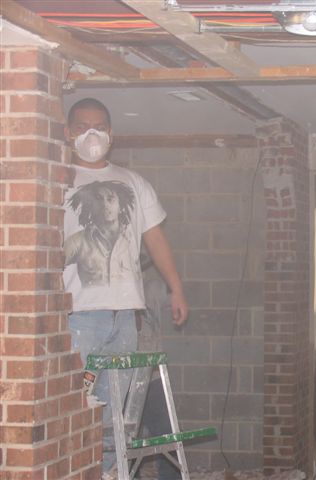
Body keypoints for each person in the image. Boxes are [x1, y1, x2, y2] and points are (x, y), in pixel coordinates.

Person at [63, 97, 188, 478]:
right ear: (68, 132)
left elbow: (155, 239)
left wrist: (176, 288)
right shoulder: (56, 180)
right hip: (78, 317)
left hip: (126, 318)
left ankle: (105, 472)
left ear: (111, 133)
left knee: (114, 414)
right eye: (82, 126)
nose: (92, 134)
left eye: (99, 126)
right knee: (76, 406)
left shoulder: (134, 182)